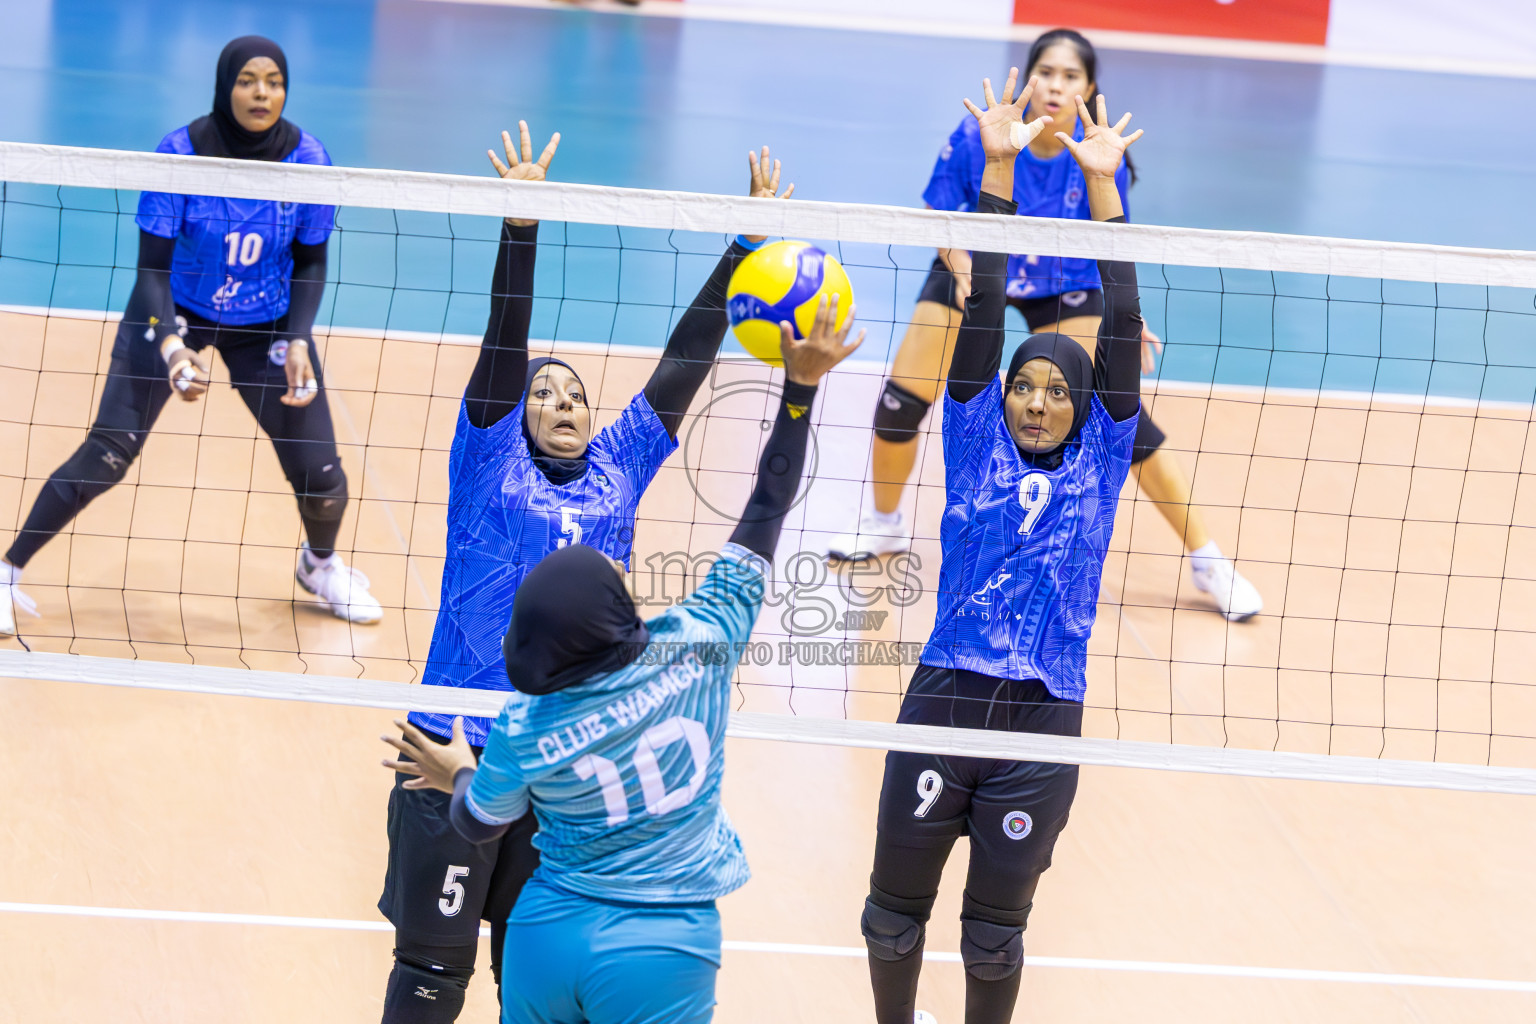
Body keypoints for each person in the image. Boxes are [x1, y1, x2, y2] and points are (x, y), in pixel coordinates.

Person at [374, 124, 798, 1022]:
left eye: (574, 395)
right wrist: (519, 226)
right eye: (543, 394)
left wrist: (745, 249)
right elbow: (504, 338)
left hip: (564, 751)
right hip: (460, 733)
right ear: (514, 414)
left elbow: (684, 365)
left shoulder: (620, 466)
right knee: (430, 972)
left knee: (522, 971)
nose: (562, 403)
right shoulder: (488, 462)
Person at [861, 74, 1142, 1023]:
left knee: (994, 934)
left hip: (1041, 722)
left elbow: (1123, 322)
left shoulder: (1102, 459)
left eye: (1056, 391)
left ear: (1081, 405)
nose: (1036, 399)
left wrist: (1104, 194)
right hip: (944, 694)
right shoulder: (975, 433)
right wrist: (995, 169)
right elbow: (980, 318)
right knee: (892, 920)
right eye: (1025, 387)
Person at [828, 27, 1262, 623]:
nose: (1056, 86)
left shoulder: (1097, 150)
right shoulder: (981, 131)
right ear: (1030, 78)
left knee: (1120, 417)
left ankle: (1208, 560)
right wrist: (962, 269)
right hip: (975, 266)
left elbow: (1113, 242)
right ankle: (884, 526)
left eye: (1071, 76)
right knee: (902, 402)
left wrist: (1124, 319)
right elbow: (941, 211)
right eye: (1046, 72)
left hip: (1065, 283)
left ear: (1088, 87)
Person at [0, 35, 381, 634]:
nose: (262, 93)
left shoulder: (308, 160)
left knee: (324, 477)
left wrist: (301, 336)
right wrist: (171, 345)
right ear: (225, 85)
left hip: (268, 323)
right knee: (108, 453)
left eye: (274, 81)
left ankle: (320, 566)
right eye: (248, 80)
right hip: (173, 310)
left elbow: (311, 259)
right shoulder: (180, 154)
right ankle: (6, 571)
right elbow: (151, 269)